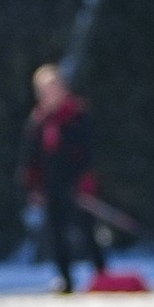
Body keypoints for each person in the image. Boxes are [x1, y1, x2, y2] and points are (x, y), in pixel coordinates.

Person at [20, 62, 106, 294]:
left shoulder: (77, 114)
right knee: (56, 233)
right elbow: (32, 158)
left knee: (87, 230)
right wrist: (33, 187)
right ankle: (65, 278)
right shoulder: (38, 121)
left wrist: (86, 179)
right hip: (51, 186)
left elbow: (89, 150)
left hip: (77, 182)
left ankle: (101, 274)